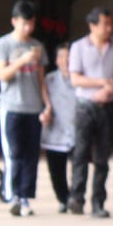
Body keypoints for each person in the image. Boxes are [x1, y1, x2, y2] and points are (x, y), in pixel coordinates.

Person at [0, 0, 52, 216]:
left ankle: (26, 197)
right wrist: (22, 61)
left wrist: (47, 105)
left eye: (32, 24)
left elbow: (41, 80)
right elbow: (2, 75)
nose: (29, 28)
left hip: (33, 107)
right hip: (11, 106)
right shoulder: (3, 45)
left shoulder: (38, 46)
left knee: (31, 154)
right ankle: (13, 195)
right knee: (14, 153)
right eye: (25, 23)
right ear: (14, 21)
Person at [67, 7, 113, 218]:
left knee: (102, 158)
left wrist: (111, 88)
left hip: (108, 107)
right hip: (85, 106)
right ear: (92, 26)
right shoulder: (78, 47)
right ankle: (76, 197)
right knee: (81, 154)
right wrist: (102, 83)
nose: (109, 28)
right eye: (105, 24)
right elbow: (75, 79)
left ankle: (98, 202)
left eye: (110, 24)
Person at [40, 45, 78, 213]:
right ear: (56, 60)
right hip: (55, 129)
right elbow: (42, 101)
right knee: (56, 169)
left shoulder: (80, 79)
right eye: (62, 57)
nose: (66, 61)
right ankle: (63, 198)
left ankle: (76, 197)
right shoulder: (49, 80)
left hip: (76, 129)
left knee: (79, 167)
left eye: (69, 57)